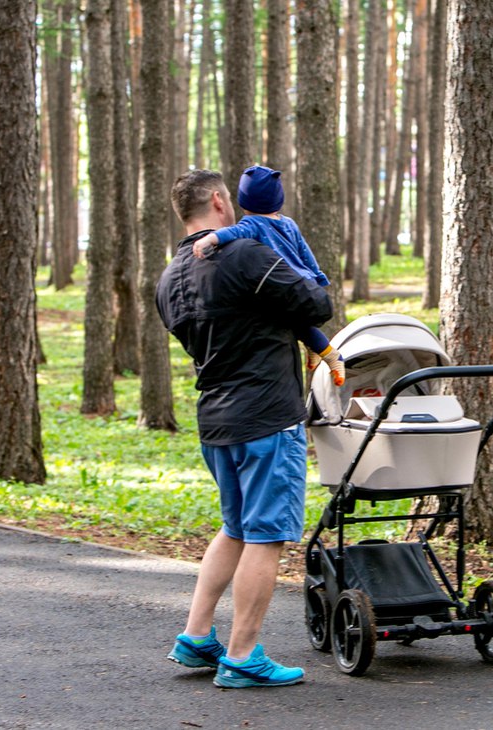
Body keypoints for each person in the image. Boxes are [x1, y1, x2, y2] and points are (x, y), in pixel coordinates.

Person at [156, 169, 333, 688]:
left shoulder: (171, 276)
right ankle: (243, 655)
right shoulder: (246, 254)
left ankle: (196, 637)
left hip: (215, 420)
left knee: (235, 528)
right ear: (217, 200)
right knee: (267, 535)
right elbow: (316, 304)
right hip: (266, 418)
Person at [191, 165, 345, 387]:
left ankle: (331, 356)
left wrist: (210, 239)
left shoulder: (251, 224)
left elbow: (231, 233)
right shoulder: (288, 223)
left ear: (244, 199)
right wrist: (317, 275)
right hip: (302, 279)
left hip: (282, 282)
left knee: (294, 323)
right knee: (300, 325)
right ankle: (313, 349)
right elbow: (305, 252)